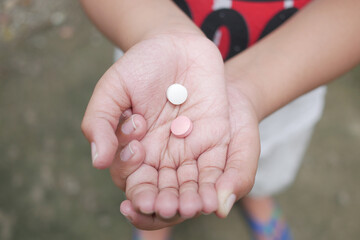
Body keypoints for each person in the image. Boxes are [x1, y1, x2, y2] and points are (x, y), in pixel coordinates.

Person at [80, 0, 360, 239]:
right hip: (156, 81)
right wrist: (161, 31)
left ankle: (255, 193)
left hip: (291, 82)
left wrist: (249, 89)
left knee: (262, 163)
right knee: (150, 160)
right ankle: (158, 216)